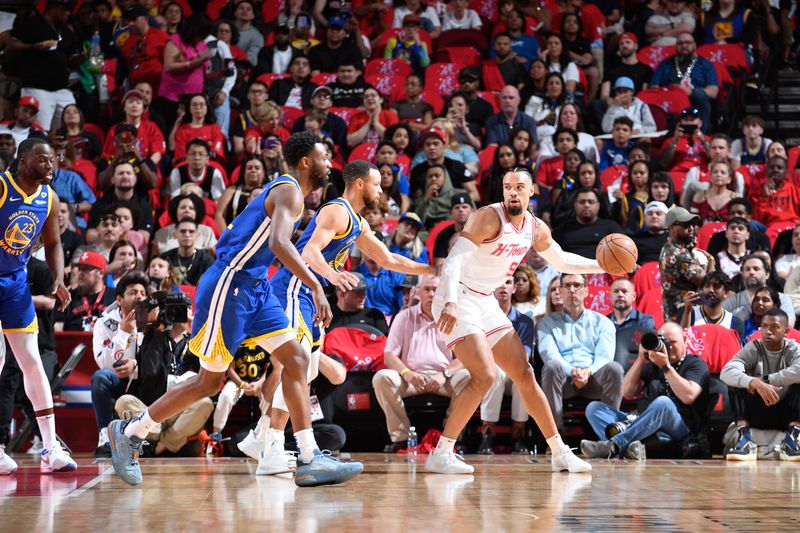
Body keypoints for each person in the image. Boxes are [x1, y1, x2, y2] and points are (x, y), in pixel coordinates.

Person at [106, 132, 363, 487]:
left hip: (255, 286)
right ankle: (132, 431)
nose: (330, 164)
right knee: (208, 382)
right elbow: (279, 243)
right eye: (325, 157)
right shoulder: (288, 190)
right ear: (306, 161)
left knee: (298, 360)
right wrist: (317, 284)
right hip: (230, 284)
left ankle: (308, 456)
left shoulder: (293, 196)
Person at [429, 168, 605, 475]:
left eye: (519, 187)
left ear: (532, 191)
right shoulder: (487, 217)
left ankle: (560, 452)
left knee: (524, 372)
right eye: (507, 186)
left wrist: (602, 266)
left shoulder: (535, 228)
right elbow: (453, 260)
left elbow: (561, 260)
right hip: (456, 296)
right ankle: (442, 452)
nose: (512, 191)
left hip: (484, 299)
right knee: (484, 375)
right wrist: (452, 303)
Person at [264, 160, 433, 472]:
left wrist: (431, 268)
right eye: (377, 185)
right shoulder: (336, 211)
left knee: (307, 372)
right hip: (291, 288)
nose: (381, 191)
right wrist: (333, 275)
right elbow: (309, 252)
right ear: (359, 184)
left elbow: (388, 258)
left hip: (307, 294)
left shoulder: (356, 222)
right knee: (297, 369)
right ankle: (291, 448)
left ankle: (265, 437)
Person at [0, 138, 74, 475]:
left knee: (32, 362)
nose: (50, 165)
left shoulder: (50, 198)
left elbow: (54, 242)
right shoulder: (2, 187)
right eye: (43, 159)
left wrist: (58, 279)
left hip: (16, 281)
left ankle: (50, 448)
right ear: (22, 159)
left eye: (53, 160)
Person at [580, 322, 711, 460]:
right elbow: (627, 392)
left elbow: (688, 396)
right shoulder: (654, 364)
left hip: (681, 429)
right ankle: (630, 449)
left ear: (684, 340)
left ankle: (613, 446)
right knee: (594, 408)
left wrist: (666, 367)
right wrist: (641, 359)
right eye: (664, 342)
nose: (669, 347)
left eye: (673, 342)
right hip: (643, 424)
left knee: (664, 403)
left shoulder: (695, 364)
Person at [374, 276, 470, 452]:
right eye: (427, 289)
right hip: (411, 379)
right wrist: (406, 373)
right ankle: (401, 438)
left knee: (469, 377)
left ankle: (451, 435)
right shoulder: (403, 317)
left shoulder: (455, 319)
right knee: (381, 378)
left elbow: (465, 358)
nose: (431, 294)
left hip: (444, 378)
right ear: (417, 292)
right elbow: (389, 356)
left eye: (436, 290)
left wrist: (444, 374)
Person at [538, 273, 624, 431]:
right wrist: (572, 371)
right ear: (561, 291)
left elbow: (605, 356)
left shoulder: (603, 322)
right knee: (551, 366)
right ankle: (555, 437)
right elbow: (550, 354)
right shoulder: (546, 323)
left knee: (615, 369)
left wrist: (587, 372)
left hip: (593, 379)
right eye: (567, 285)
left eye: (577, 285)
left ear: (586, 291)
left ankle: (608, 435)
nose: (572, 290)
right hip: (564, 381)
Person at [721, 308, 800, 461]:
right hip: (757, 411)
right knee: (737, 381)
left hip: (786, 412)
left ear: (786, 331)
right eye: (764, 326)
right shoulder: (753, 347)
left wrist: (766, 380)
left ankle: (792, 440)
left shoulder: (794, 349)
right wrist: (753, 382)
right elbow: (727, 372)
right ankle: (745, 439)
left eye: (774, 327)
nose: (767, 331)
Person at [89, 272, 150, 457]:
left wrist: (135, 366)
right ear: (119, 298)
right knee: (100, 378)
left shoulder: (153, 321)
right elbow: (104, 363)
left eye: (142, 292)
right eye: (133, 292)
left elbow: (158, 362)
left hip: (144, 382)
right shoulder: (104, 323)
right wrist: (123, 333)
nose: (139, 296)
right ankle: (105, 436)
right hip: (117, 381)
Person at [478, 277, 534, 454]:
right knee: (495, 373)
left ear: (514, 288)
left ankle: (518, 431)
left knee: (524, 373)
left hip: (513, 368)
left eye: (508, 282)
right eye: (498, 282)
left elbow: (525, 356)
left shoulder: (525, 321)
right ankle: (488, 431)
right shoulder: (481, 318)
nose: (503, 286)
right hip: (489, 369)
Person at [8, 0, 79, 132]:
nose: (69, 13)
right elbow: (12, 45)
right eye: (66, 9)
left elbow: (71, 56)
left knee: (69, 126)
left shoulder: (65, 29)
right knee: (40, 130)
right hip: (38, 86)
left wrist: (82, 58)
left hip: (62, 87)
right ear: (55, 8)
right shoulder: (32, 22)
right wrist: (32, 47)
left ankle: (63, 152)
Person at [650, 32, 718, 133]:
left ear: (694, 45)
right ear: (676, 46)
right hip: (670, 100)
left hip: (694, 101)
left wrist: (691, 92)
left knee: (702, 97)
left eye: (688, 42)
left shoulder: (705, 64)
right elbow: (653, 87)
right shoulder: (665, 64)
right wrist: (670, 91)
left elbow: (713, 92)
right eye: (680, 43)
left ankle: (701, 134)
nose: (684, 46)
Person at [659, 207, 713, 321]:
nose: (691, 228)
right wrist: (711, 261)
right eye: (685, 225)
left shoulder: (668, 247)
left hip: (677, 314)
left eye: (692, 224)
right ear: (671, 227)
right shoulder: (678, 254)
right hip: (682, 317)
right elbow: (709, 283)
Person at [723, 255, 796, 328]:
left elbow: (789, 325)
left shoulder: (782, 298)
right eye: (747, 269)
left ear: (767, 274)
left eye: (756, 269)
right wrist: (749, 308)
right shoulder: (732, 301)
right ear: (742, 274)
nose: (751, 272)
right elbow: (724, 325)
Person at [552, 188, 623, 259]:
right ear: (575, 205)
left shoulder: (611, 227)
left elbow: (624, 249)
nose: (586, 205)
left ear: (598, 205)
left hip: (602, 268)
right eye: (582, 202)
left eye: (591, 202)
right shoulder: (562, 229)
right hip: (570, 268)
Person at [56, 250, 115, 332]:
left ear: (101, 273)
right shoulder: (68, 295)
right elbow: (58, 327)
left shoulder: (115, 296)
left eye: (86, 269)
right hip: (74, 342)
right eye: (79, 269)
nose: (80, 273)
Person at [118, 6, 169, 93]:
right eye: (128, 20)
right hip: (136, 91)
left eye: (134, 19)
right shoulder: (127, 43)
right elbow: (125, 68)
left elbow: (168, 64)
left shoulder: (161, 36)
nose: (130, 23)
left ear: (145, 19)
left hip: (159, 90)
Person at [159, 219, 214, 287]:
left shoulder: (207, 260)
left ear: (197, 235)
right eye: (183, 231)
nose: (187, 235)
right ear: (175, 234)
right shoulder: (165, 257)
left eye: (191, 232)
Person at [433, 193, 475, 268]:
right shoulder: (443, 235)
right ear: (451, 212)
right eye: (457, 207)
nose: (461, 210)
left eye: (464, 207)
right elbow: (438, 266)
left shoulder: (481, 232)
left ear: (472, 210)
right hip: (451, 274)